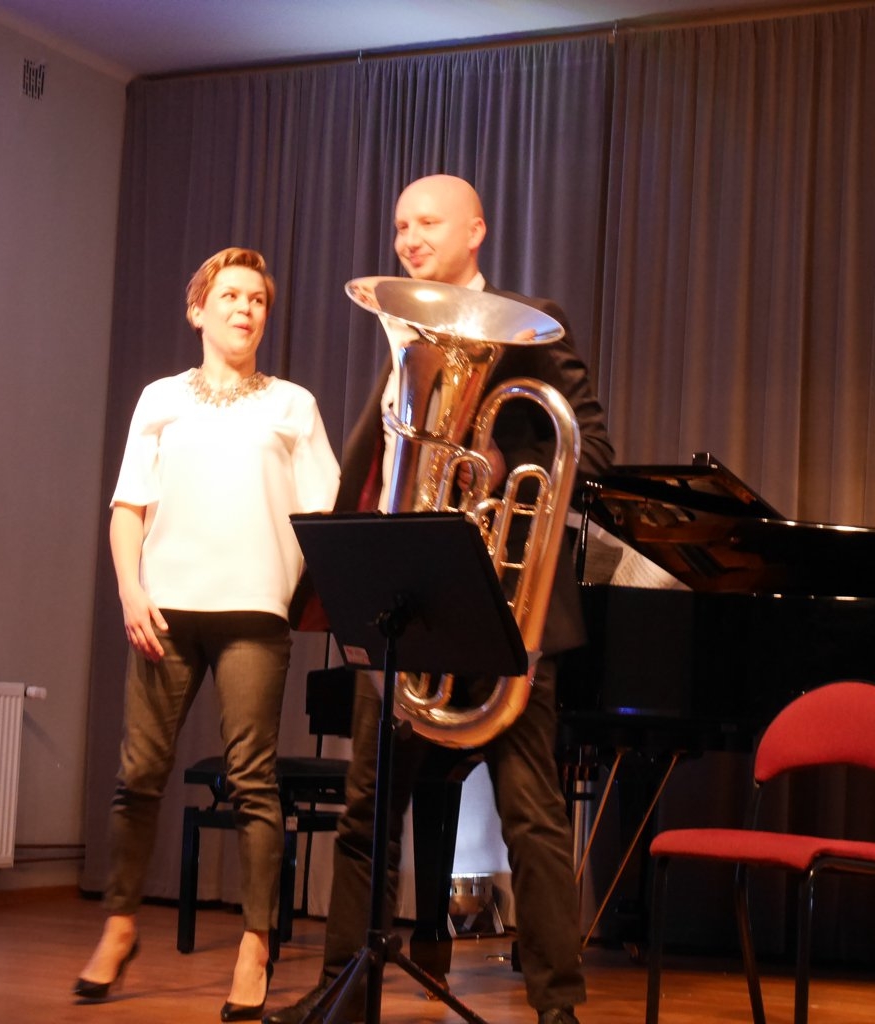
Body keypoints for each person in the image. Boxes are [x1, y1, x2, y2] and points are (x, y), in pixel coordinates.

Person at [266, 175, 613, 1024]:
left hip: (497, 605)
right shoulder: (402, 336)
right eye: (399, 226)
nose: (409, 238)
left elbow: (594, 453)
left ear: (475, 230)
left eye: (426, 222)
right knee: (365, 816)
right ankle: (344, 993)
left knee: (531, 815)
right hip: (402, 601)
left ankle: (557, 1008)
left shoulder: (531, 327)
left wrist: (502, 463)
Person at [75, 247, 340, 1021]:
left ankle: (255, 944)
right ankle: (120, 925)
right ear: (198, 310)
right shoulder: (160, 399)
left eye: (256, 299)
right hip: (165, 610)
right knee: (138, 774)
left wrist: (286, 580)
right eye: (229, 295)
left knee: (253, 780)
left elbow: (323, 515)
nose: (244, 308)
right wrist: (130, 590)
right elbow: (128, 508)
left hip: (253, 612)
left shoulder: (293, 405)